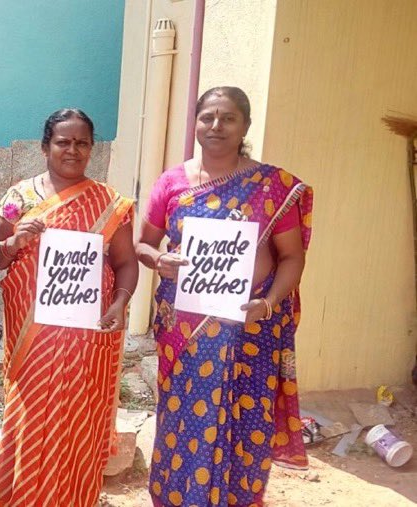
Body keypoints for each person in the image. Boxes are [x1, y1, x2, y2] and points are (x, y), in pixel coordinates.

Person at [136, 86, 313, 506]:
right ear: (195, 123)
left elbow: (291, 258)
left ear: (245, 126)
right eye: (207, 117)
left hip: (250, 333)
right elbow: (143, 244)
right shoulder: (173, 182)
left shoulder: (272, 186)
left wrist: (267, 304)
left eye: (228, 118)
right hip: (186, 336)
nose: (216, 126)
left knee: (245, 428)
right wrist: (158, 260)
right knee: (183, 425)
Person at [0, 109, 139, 506]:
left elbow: (124, 263)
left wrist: (120, 303)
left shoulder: (110, 203)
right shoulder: (20, 198)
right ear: (45, 146)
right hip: (31, 341)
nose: (72, 150)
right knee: (30, 416)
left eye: (82, 143)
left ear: (91, 147)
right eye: (63, 142)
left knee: (76, 421)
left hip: (85, 344)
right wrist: (14, 242)